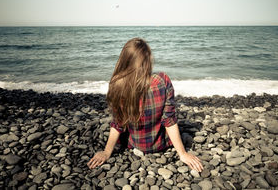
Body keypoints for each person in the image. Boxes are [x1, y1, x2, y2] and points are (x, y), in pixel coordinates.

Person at [87, 38, 203, 172]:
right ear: (147, 60)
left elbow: (118, 123)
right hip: (161, 144)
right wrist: (182, 154)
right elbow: (169, 120)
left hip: (134, 144)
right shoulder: (162, 80)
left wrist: (107, 152)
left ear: (124, 60)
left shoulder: (117, 84)